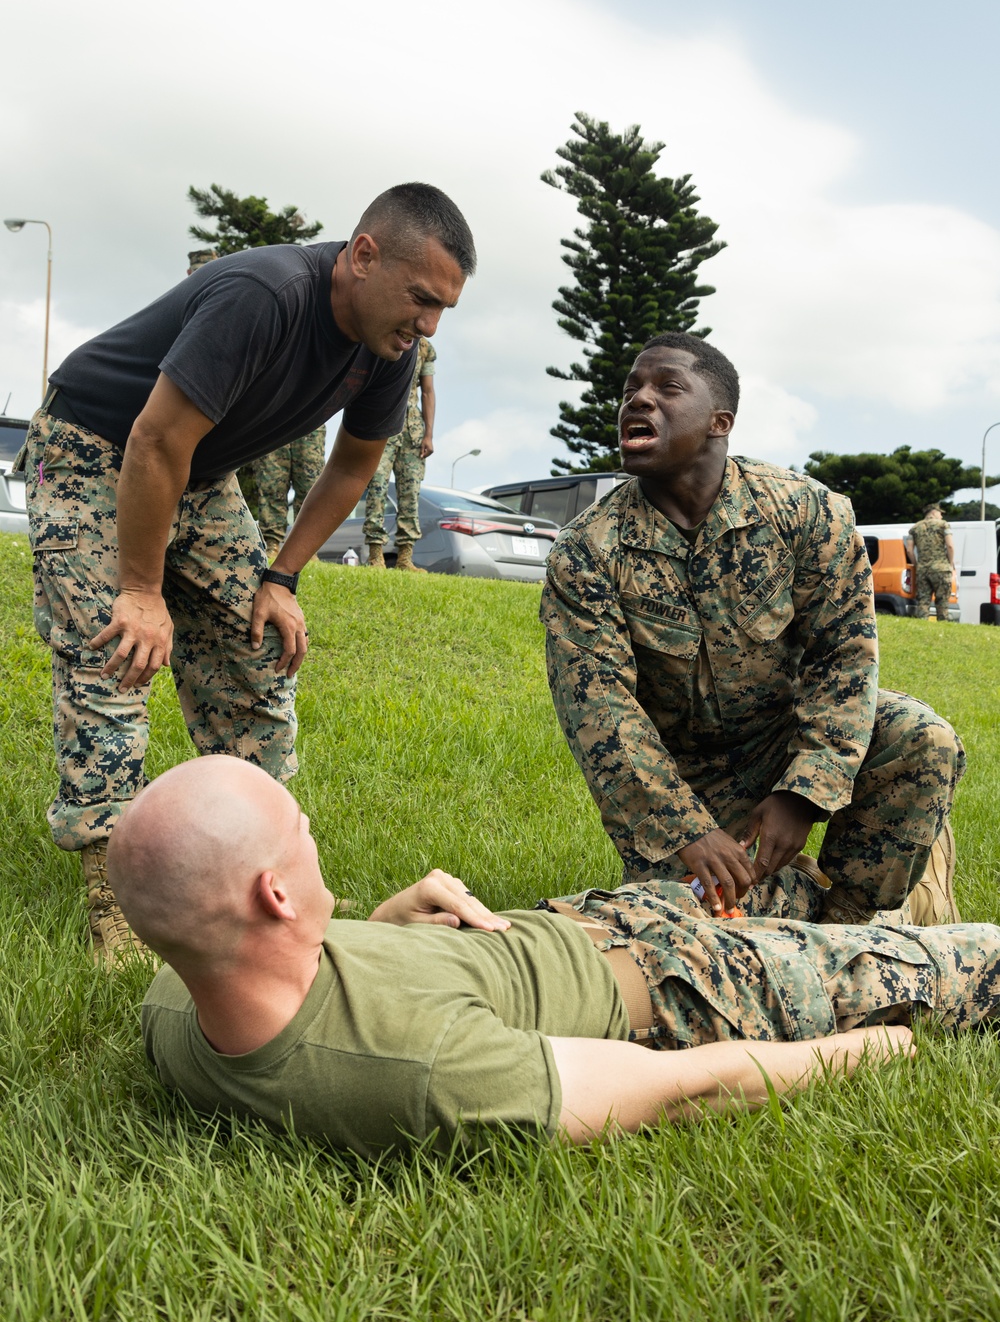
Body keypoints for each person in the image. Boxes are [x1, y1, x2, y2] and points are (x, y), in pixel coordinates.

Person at [111, 756, 1000, 1159]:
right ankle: (912, 950)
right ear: (274, 894)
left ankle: (881, 922)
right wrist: (857, 1052)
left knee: (794, 887)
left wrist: (388, 918)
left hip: (591, 918)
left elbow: (316, 970)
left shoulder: (178, 992)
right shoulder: (423, 1073)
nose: (315, 840)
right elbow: (681, 1091)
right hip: (685, 981)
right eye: (299, 835)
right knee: (963, 967)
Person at [24, 183, 475, 965]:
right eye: (421, 299)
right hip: (97, 447)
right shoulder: (264, 296)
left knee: (261, 645)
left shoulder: (389, 350)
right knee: (119, 648)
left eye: (443, 310)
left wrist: (282, 577)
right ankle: (113, 888)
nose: (427, 325)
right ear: (363, 256)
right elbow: (153, 440)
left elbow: (354, 467)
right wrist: (141, 589)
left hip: (196, 470)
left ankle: (249, 853)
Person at [540, 333, 964, 934]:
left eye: (667, 387)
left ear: (720, 421)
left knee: (924, 738)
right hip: (686, 781)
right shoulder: (585, 552)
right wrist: (689, 830)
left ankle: (849, 922)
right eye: (632, 388)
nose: (638, 399)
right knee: (693, 932)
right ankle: (814, 905)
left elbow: (842, 661)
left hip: (786, 741)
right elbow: (601, 715)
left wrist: (804, 792)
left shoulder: (806, 512)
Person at [363, 336, 436, 571]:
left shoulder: (425, 347)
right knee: (377, 486)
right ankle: (375, 555)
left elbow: (427, 391)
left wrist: (429, 435)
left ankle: (405, 557)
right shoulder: (383, 335)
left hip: (413, 431)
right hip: (383, 421)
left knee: (410, 492)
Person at [253, 426, 328, 558]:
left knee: (310, 487)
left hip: (311, 418)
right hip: (274, 419)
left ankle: (308, 550)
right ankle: (272, 545)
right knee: (271, 485)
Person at [906, 505, 956, 622]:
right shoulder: (943, 525)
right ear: (934, 513)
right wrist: (951, 563)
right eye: (940, 513)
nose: (941, 516)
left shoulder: (914, 528)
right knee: (942, 600)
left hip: (923, 570)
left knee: (923, 600)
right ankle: (942, 623)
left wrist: (916, 564)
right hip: (941, 568)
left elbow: (909, 550)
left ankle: (922, 623)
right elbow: (950, 546)